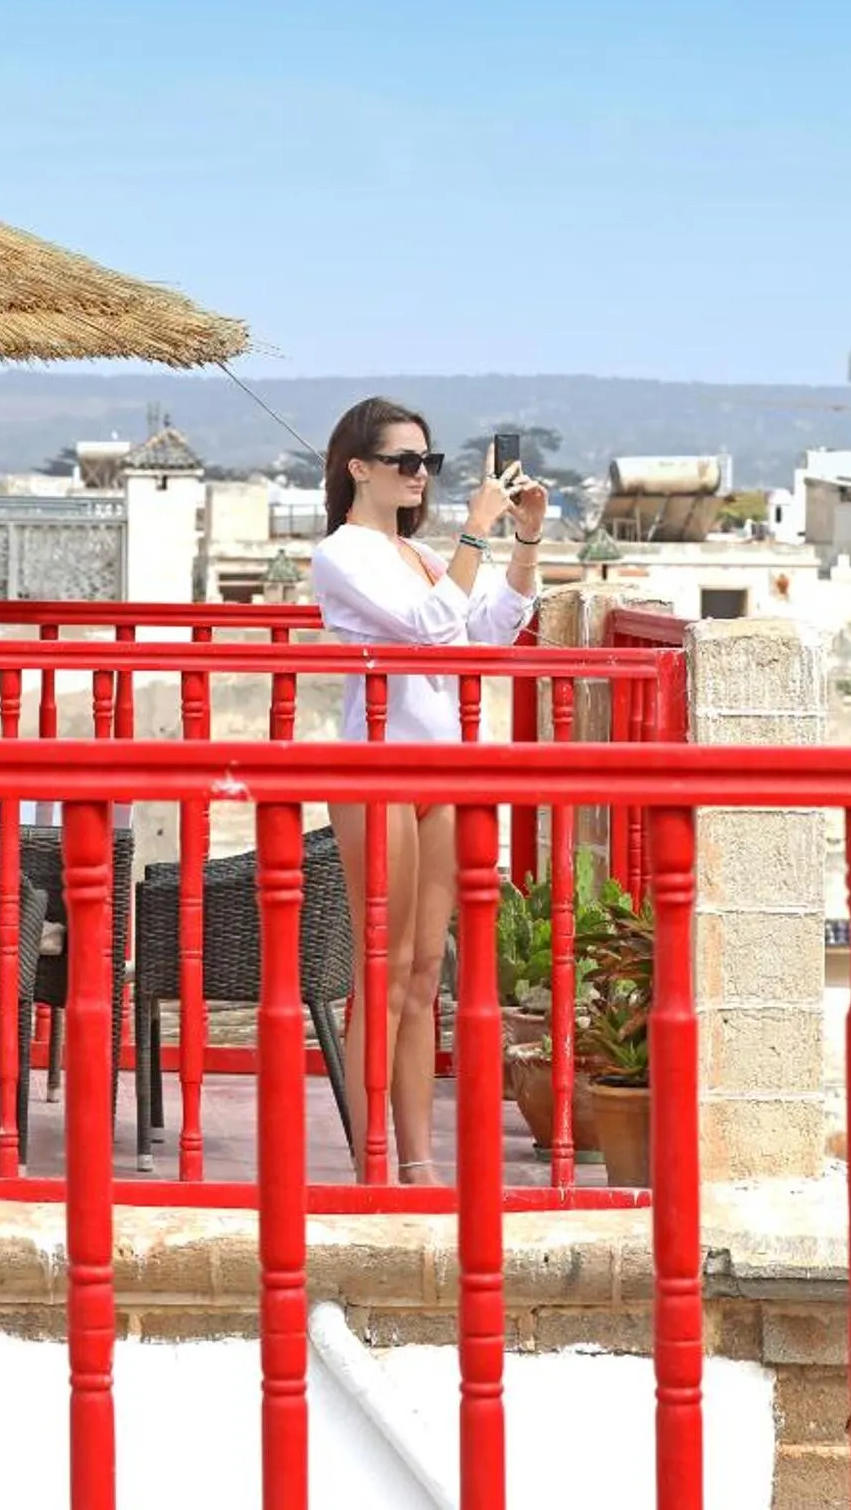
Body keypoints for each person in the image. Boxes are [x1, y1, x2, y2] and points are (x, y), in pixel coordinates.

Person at [311, 397, 547, 1185]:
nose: (420, 475)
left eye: (429, 462)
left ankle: (416, 1161)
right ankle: (371, 1164)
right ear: (359, 468)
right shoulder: (341, 553)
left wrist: (523, 540)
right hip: (377, 771)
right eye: (405, 461)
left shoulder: (416, 554)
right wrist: (474, 530)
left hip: (439, 767)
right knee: (381, 972)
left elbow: (489, 632)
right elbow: (431, 626)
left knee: (421, 978)